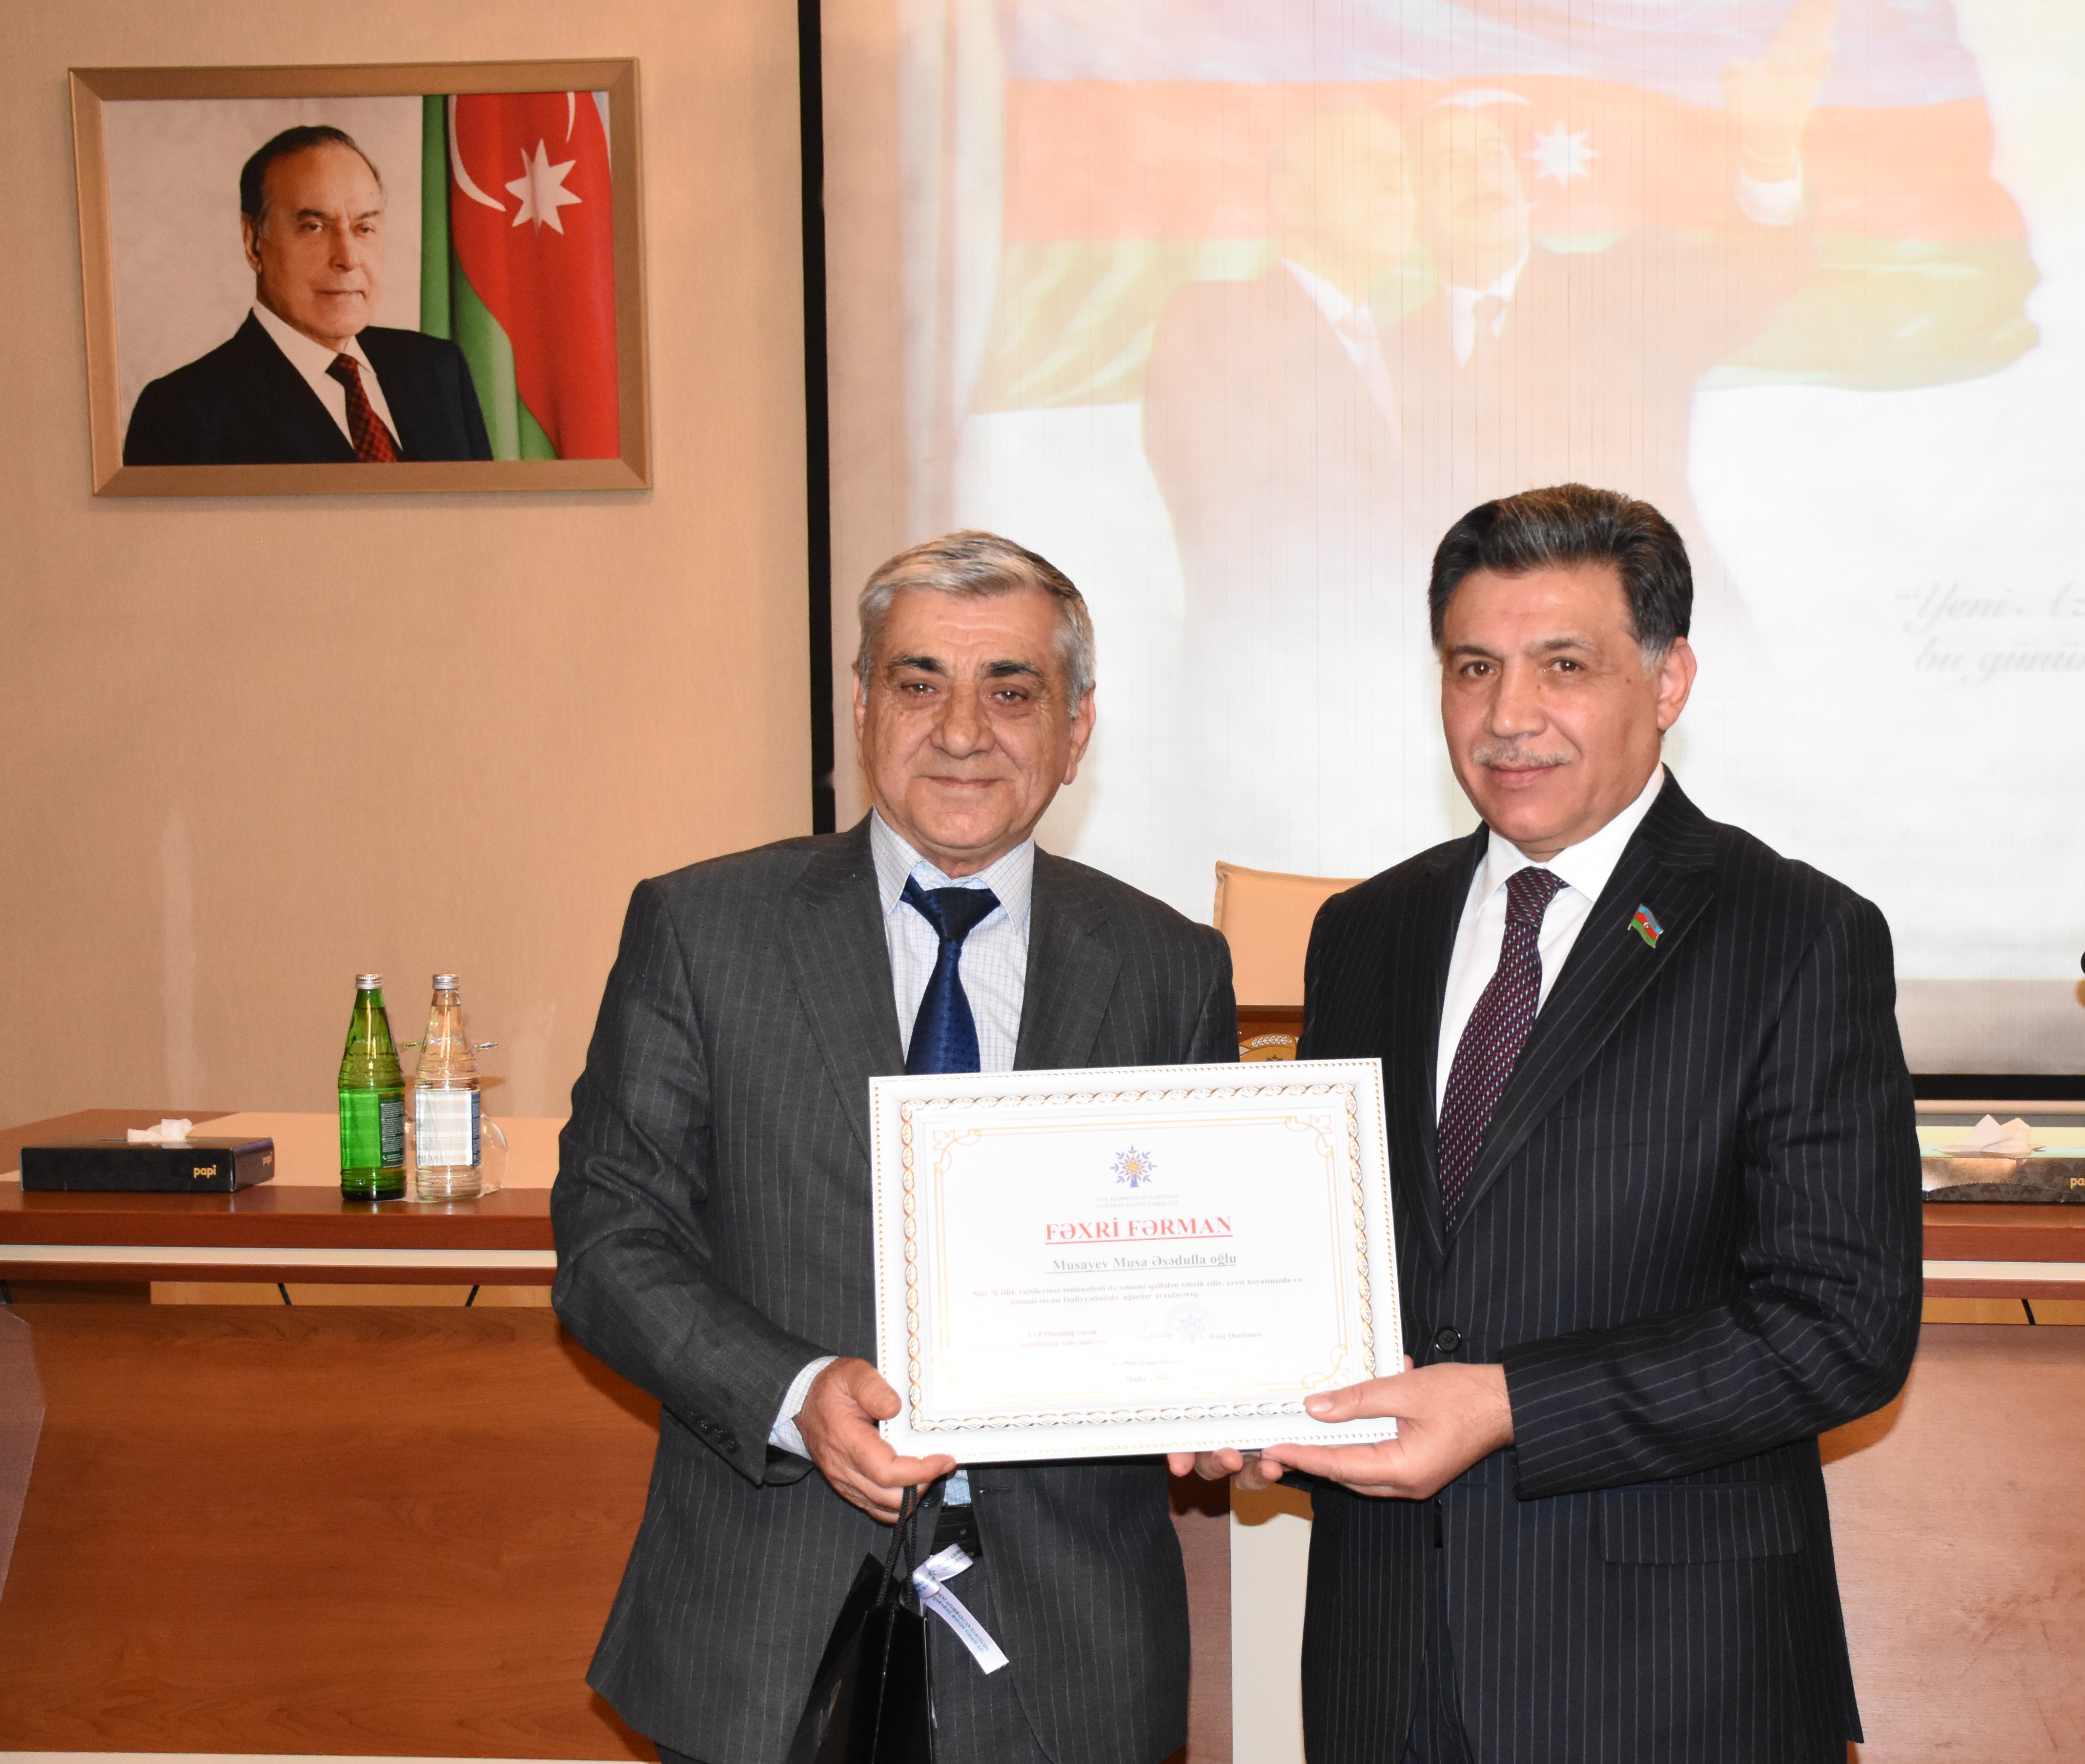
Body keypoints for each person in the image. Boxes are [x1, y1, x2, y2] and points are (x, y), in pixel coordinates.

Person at [1196, 484, 1921, 1762]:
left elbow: (1840, 1327)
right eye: (1473, 666)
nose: (1507, 714)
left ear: (1669, 678)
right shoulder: (1366, 932)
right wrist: (1253, 1394)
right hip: (1388, 1666)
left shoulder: (1795, 933)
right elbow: (1344, 1268)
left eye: (1563, 666)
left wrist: (1511, 1403)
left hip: (1668, 1678)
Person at [553, 532, 1238, 1764]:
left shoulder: (1169, 966)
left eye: (1012, 691)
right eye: (920, 682)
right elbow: (610, 1241)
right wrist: (795, 1393)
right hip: (763, 1629)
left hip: (1073, 1650)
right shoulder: (703, 930)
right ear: (864, 706)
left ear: (1076, 728)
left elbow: (1202, 1267)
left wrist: (1230, 1379)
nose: (962, 730)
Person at [1398, 0, 1834, 648]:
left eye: (1491, 153)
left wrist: (1769, 156)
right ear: (1414, 208)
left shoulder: (1619, 290)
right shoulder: (1387, 354)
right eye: (1448, 164)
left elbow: (1746, 280)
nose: (1479, 173)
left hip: (1652, 656)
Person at [1140, 106, 1452, 878]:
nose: (1398, 182)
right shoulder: (1218, 319)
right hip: (1285, 736)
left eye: (1404, 168)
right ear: (1291, 197)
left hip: (1412, 748)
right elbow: (1237, 522)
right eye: (1366, 162)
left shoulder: (1414, 349)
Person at [123, 125, 491, 465]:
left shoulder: (438, 370)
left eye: (364, 228)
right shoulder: (182, 412)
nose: (348, 258)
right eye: (314, 227)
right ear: (253, 242)